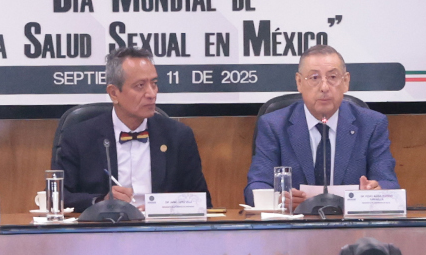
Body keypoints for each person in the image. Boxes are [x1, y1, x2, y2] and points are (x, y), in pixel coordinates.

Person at [52, 45, 210, 211]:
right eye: (140, 86)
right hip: (105, 226)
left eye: (154, 84)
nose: (152, 94)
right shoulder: (79, 137)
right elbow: (58, 196)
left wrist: (161, 208)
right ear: (114, 93)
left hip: (160, 227)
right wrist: (101, 201)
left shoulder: (178, 136)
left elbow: (202, 201)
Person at [245, 44, 399, 210]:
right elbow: (256, 187)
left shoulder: (371, 124)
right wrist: (279, 200)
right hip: (293, 224)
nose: (324, 87)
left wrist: (377, 191)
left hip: (350, 224)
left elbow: (389, 183)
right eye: (314, 78)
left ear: (345, 82)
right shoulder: (274, 125)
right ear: (299, 82)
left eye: (332, 77)